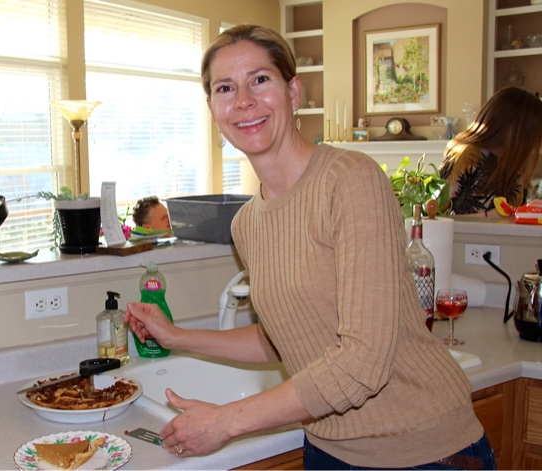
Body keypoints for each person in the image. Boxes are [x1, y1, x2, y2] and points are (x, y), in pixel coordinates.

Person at [125, 25, 495, 470]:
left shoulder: (350, 180)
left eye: (260, 79)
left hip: (424, 452)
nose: (243, 100)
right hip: (328, 450)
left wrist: (228, 420)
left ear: (293, 92)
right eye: (225, 88)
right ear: (212, 109)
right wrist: (178, 336)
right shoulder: (247, 224)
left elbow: (362, 361)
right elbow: (286, 338)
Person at [439, 87, 542, 217]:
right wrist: (492, 215)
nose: (535, 144)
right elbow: (438, 217)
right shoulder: (468, 155)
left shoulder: (515, 165)